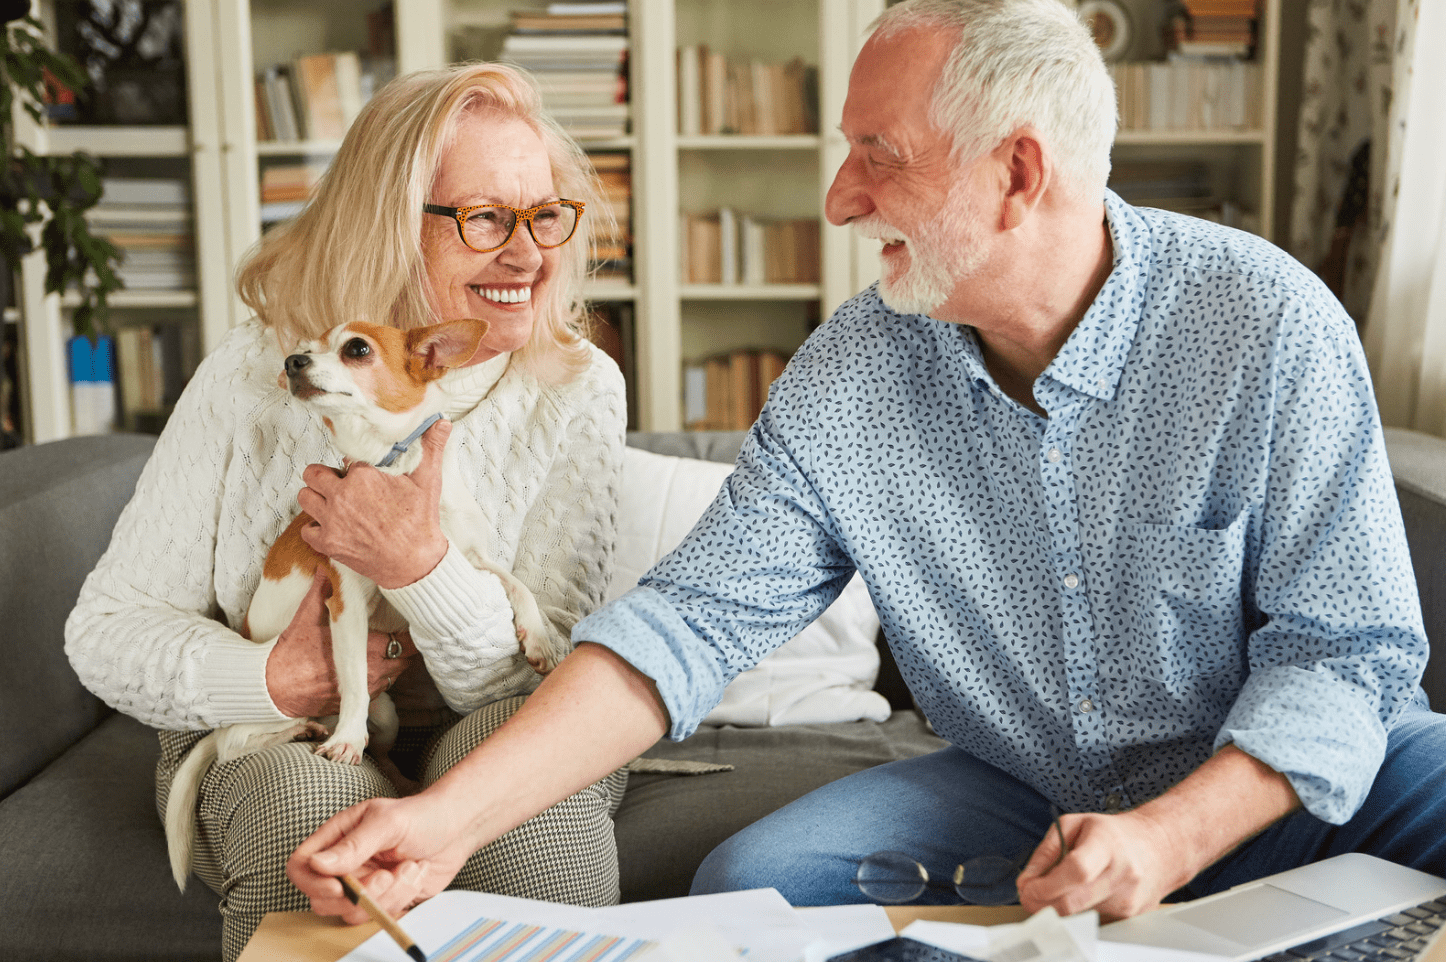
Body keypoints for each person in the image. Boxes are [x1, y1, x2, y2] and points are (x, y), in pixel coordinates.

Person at [287, 0, 1446, 927]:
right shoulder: (855, 374)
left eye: (877, 157)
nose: (840, 198)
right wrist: (440, 821)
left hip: (1283, 778)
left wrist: (1172, 836)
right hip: (1032, 786)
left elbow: (1349, 653)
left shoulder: (1267, 322)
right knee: (753, 885)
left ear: (1018, 171)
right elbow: (686, 626)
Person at [65, 62, 628, 960]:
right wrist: (272, 682)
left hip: (486, 717)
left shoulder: (578, 387)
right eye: (486, 218)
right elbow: (106, 629)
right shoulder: (257, 373)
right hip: (276, 727)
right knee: (304, 808)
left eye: (546, 213)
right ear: (391, 224)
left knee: (537, 813)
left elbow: (558, 683)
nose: (529, 254)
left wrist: (423, 570)